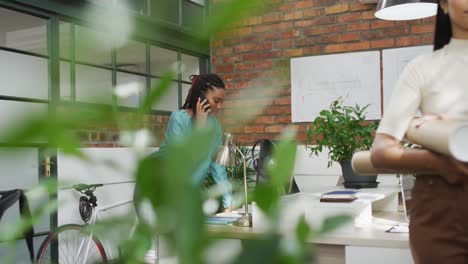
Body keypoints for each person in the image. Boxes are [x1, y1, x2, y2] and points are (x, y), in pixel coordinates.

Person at [370, 1, 468, 263]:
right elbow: (381, 152)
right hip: (442, 215)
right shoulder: (422, 68)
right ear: (445, 5)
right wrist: (436, 162)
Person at [141, 73, 232, 211]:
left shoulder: (214, 127)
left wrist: (228, 203)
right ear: (201, 97)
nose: (219, 106)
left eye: (221, 102)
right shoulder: (178, 119)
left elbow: (218, 168)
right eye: (216, 100)